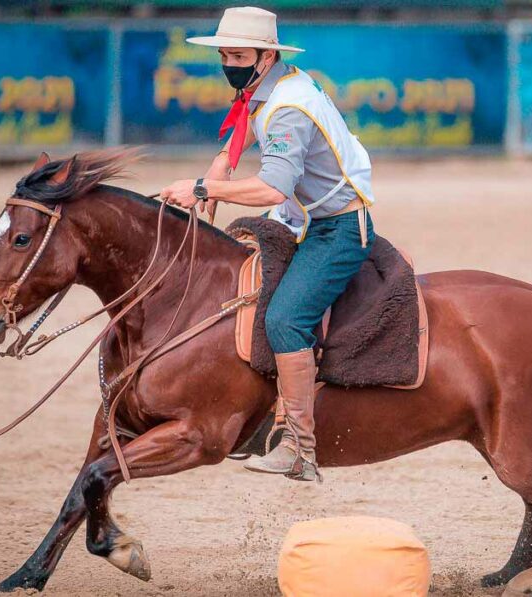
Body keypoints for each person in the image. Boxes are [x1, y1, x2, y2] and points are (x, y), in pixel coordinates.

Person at [159, 6, 376, 482]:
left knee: (284, 319)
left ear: (265, 56)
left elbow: (272, 189)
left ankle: (301, 450)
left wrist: (203, 189)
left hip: (336, 230)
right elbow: (240, 134)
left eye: (237, 55)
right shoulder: (273, 87)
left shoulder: (287, 108)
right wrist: (217, 169)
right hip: (306, 220)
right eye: (224, 55)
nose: (228, 64)